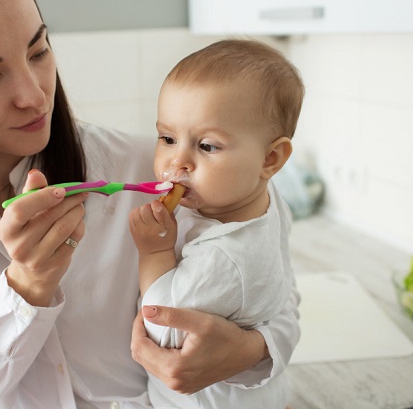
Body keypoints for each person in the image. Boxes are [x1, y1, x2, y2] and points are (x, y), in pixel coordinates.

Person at [0, 0, 301, 408]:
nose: (34, 95)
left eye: (39, 50)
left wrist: (246, 351)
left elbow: (276, 298)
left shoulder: (175, 173)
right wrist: (25, 289)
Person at [129, 39, 304, 408]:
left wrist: (154, 250)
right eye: (168, 138)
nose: (177, 163)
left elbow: (162, 327)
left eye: (207, 146)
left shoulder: (226, 256)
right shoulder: (265, 203)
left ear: (270, 158)